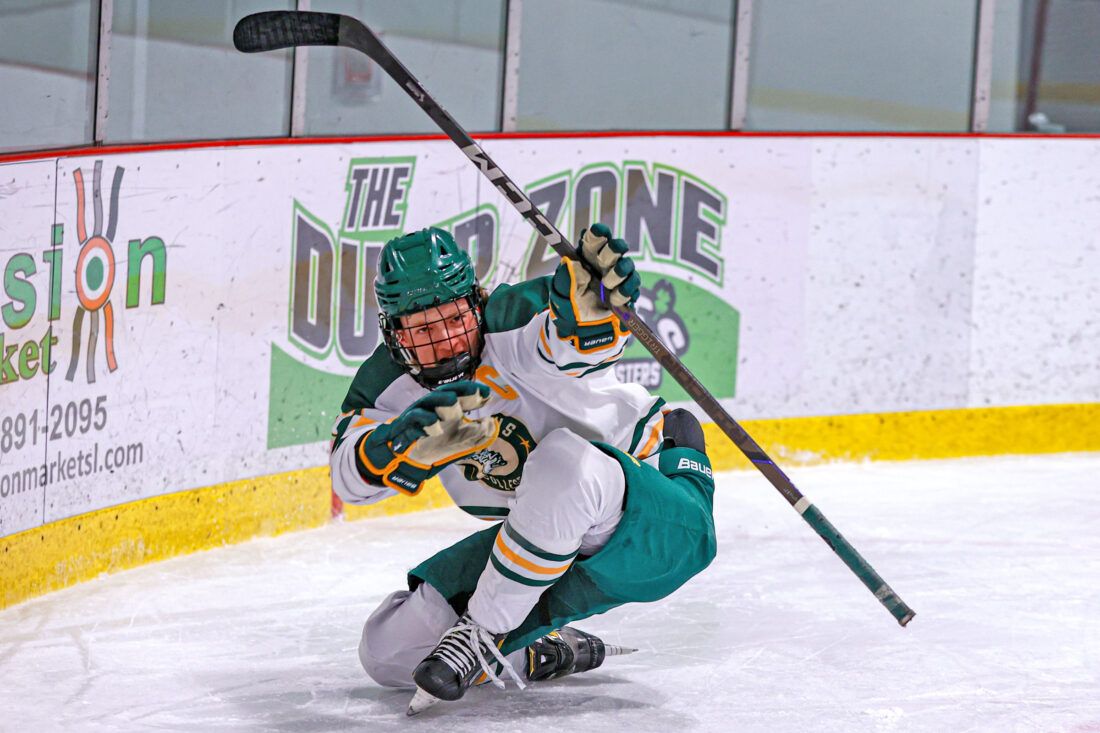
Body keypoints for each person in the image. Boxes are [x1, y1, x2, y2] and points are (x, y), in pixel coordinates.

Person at [329, 223, 717, 714]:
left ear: (476, 303)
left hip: (656, 513)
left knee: (563, 458)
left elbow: (567, 337)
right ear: (393, 334)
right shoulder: (388, 388)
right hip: (547, 539)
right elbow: (348, 475)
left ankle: (483, 635)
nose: (445, 340)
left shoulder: (514, 319)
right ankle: (538, 649)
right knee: (388, 649)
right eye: (423, 329)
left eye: (453, 319)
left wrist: (593, 320)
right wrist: (397, 449)